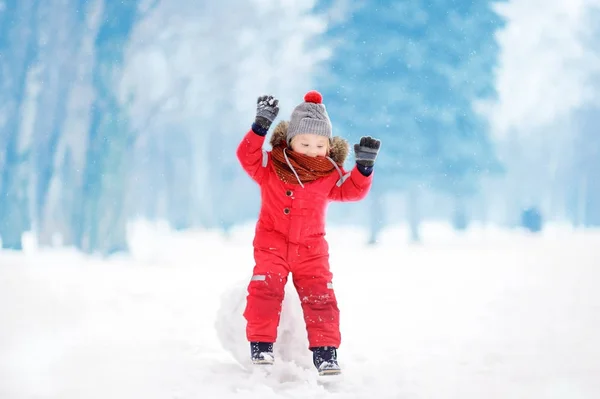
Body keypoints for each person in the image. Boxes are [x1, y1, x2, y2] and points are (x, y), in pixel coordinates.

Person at [236, 90, 381, 376]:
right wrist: (259, 127)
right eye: (304, 143)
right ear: (290, 142)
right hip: (272, 243)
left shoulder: (329, 174)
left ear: (328, 146)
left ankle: (326, 354)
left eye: (319, 144)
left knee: (321, 297)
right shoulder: (271, 166)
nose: (312, 150)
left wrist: (363, 169)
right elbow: (247, 156)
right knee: (265, 291)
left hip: (311, 249)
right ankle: (261, 346)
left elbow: (352, 191)